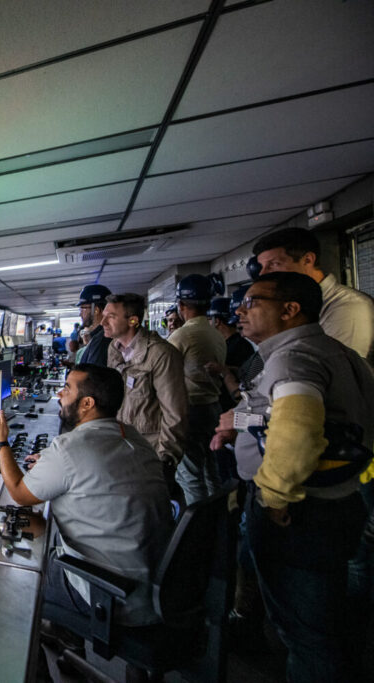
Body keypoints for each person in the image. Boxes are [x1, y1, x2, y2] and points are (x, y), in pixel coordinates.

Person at [211, 272, 374, 682]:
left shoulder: (292, 356)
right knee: (321, 622)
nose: (240, 311)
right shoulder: (335, 351)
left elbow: (299, 428)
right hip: (338, 501)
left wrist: (273, 498)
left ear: (290, 309)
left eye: (252, 302)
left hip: (301, 512)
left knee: (307, 635)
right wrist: (239, 420)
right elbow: (280, 412)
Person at [0, 364, 173, 626]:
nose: (60, 395)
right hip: (152, 583)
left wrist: (1, 441)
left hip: (110, 593)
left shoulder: (70, 449)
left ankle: (32, 651)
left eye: (67, 389)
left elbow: (19, 493)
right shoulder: (131, 436)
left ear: (87, 403)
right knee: (39, 524)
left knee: (11, 567)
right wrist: (51, 461)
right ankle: (69, 636)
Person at [253, 227, 374, 359]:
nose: (262, 273)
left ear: (308, 260)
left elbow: (329, 366)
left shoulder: (348, 306)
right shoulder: (300, 303)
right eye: (262, 266)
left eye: (274, 264)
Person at [102, 293, 188, 479]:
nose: (103, 322)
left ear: (133, 320)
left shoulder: (161, 354)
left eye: (111, 317)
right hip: (121, 447)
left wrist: (166, 460)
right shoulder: (114, 349)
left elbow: (174, 414)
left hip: (150, 452)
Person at [168, 274, 227, 505]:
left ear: (181, 306)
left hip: (190, 409)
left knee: (190, 475)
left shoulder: (182, 335)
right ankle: (219, 521)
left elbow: (165, 371)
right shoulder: (215, 333)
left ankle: (199, 530)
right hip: (213, 407)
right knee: (211, 470)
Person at [74, 284, 111, 367]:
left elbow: (93, 377)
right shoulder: (96, 337)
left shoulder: (102, 339)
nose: (80, 314)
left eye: (83, 308)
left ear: (96, 310)